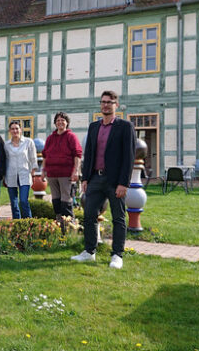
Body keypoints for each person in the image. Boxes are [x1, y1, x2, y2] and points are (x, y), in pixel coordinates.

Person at [71, 91, 136, 269]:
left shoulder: (125, 127)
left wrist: (124, 183)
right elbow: (89, 154)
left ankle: (117, 255)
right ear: (100, 104)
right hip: (95, 179)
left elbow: (129, 157)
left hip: (115, 181)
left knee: (118, 218)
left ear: (116, 105)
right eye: (103, 102)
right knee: (89, 214)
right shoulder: (94, 127)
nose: (106, 105)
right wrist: (85, 178)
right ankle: (89, 252)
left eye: (110, 102)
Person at [41, 112, 83, 230]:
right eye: (58, 120)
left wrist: (76, 171)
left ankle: (69, 225)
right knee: (55, 199)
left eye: (63, 120)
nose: (60, 122)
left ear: (67, 123)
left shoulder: (71, 137)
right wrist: (43, 170)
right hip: (52, 174)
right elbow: (45, 155)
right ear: (55, 123)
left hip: (66, 174)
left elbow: (77, 154)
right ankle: (59, 223)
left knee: (66, 200)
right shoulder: (50, 138)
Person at [4, 121, 38, 219]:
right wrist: (3, 175)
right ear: (9, 131)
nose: (15, 131)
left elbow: (33, 158)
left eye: (17, 128)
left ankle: (29, 223)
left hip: (25, 174)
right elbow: (5, 160)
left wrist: (33, 173)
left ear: (20, 129)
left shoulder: (28, 142)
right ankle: (17, 224)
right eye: (12, 129)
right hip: (11, 175)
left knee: (23, 201)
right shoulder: (6, 145)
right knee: (14, 204)